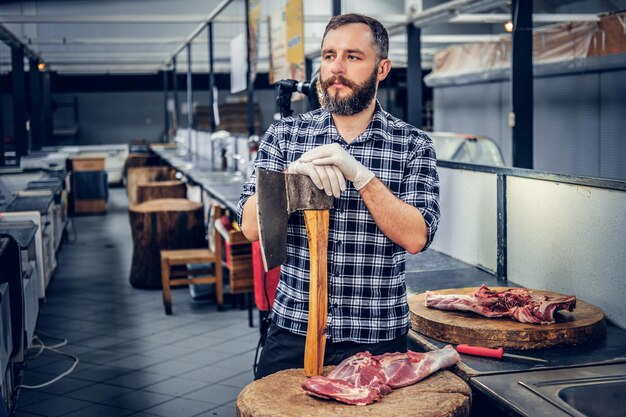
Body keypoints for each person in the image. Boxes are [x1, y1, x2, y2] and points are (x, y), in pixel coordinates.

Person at [237, 13, 440, 379]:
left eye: (353, 56)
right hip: (294, 328)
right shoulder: (285, 135)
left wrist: (362, 177)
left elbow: (416, 236)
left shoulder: (412, 145)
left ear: (382, 69)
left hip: (377, 336)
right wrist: (288, 179)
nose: (336, 68)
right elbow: (250, 228)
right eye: (329, 55)